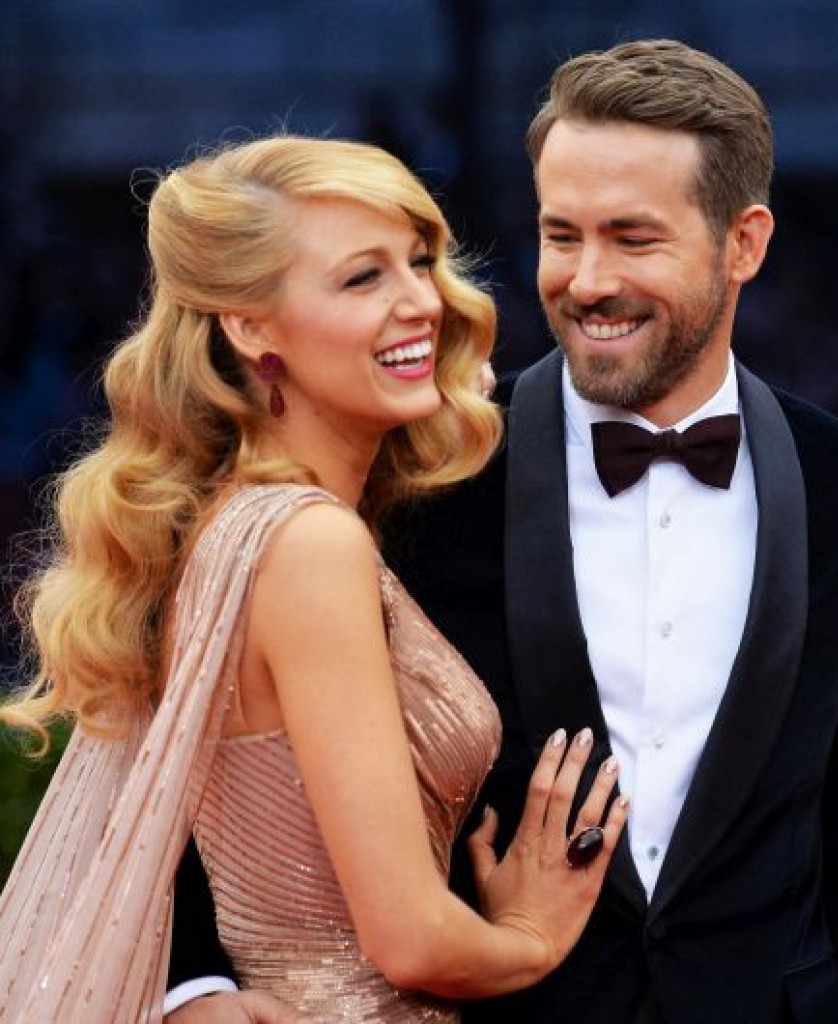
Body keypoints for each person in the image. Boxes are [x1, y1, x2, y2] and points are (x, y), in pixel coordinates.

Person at [167, 39, 838, 1024]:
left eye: (633, 238)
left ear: (743, 244)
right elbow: (219, 750)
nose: (586, 280)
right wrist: (195, 989)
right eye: (562, 234)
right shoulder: (425, 469)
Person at [0, 135, 630, 1024]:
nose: (421, 302)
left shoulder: (239, 524)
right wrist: (529, 935)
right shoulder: (308, 544)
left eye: (419, 262)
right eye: (362, 278)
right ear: (251, 327)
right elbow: (411, 940)